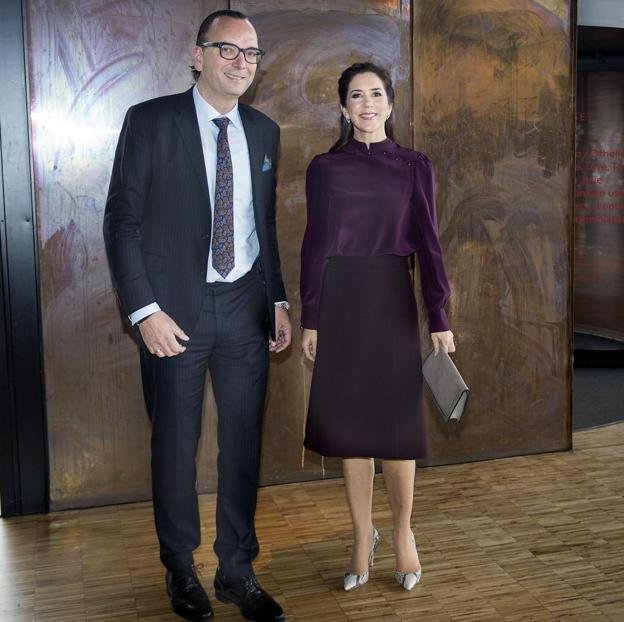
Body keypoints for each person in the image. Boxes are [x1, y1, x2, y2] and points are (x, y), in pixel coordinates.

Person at [103, 10, 291, 622]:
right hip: (172, 314)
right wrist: (144, 311)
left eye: (252, 53)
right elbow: (121, 222)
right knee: (175, 445)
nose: (242, 63)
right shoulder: (150, 121)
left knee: (242, 444)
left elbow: (264, 226)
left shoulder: (265, 132)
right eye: (228, 49)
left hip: (245, 310)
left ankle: (237, 570)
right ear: (197, 55)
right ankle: (180, 568)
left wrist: (278, 300)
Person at [300, 62, 456, 593]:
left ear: (390, 103)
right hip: (339, 300)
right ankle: (361, 534)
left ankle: (403, 533)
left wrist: (439, 315)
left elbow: (430, 245)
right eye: (355, 95)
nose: (366, 103)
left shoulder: (414, 165)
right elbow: (314, 246)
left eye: (375, 94)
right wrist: (311, 317)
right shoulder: (324, 168)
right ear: (343, 108)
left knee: (396, 427)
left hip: (391, 297)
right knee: (351, 431)